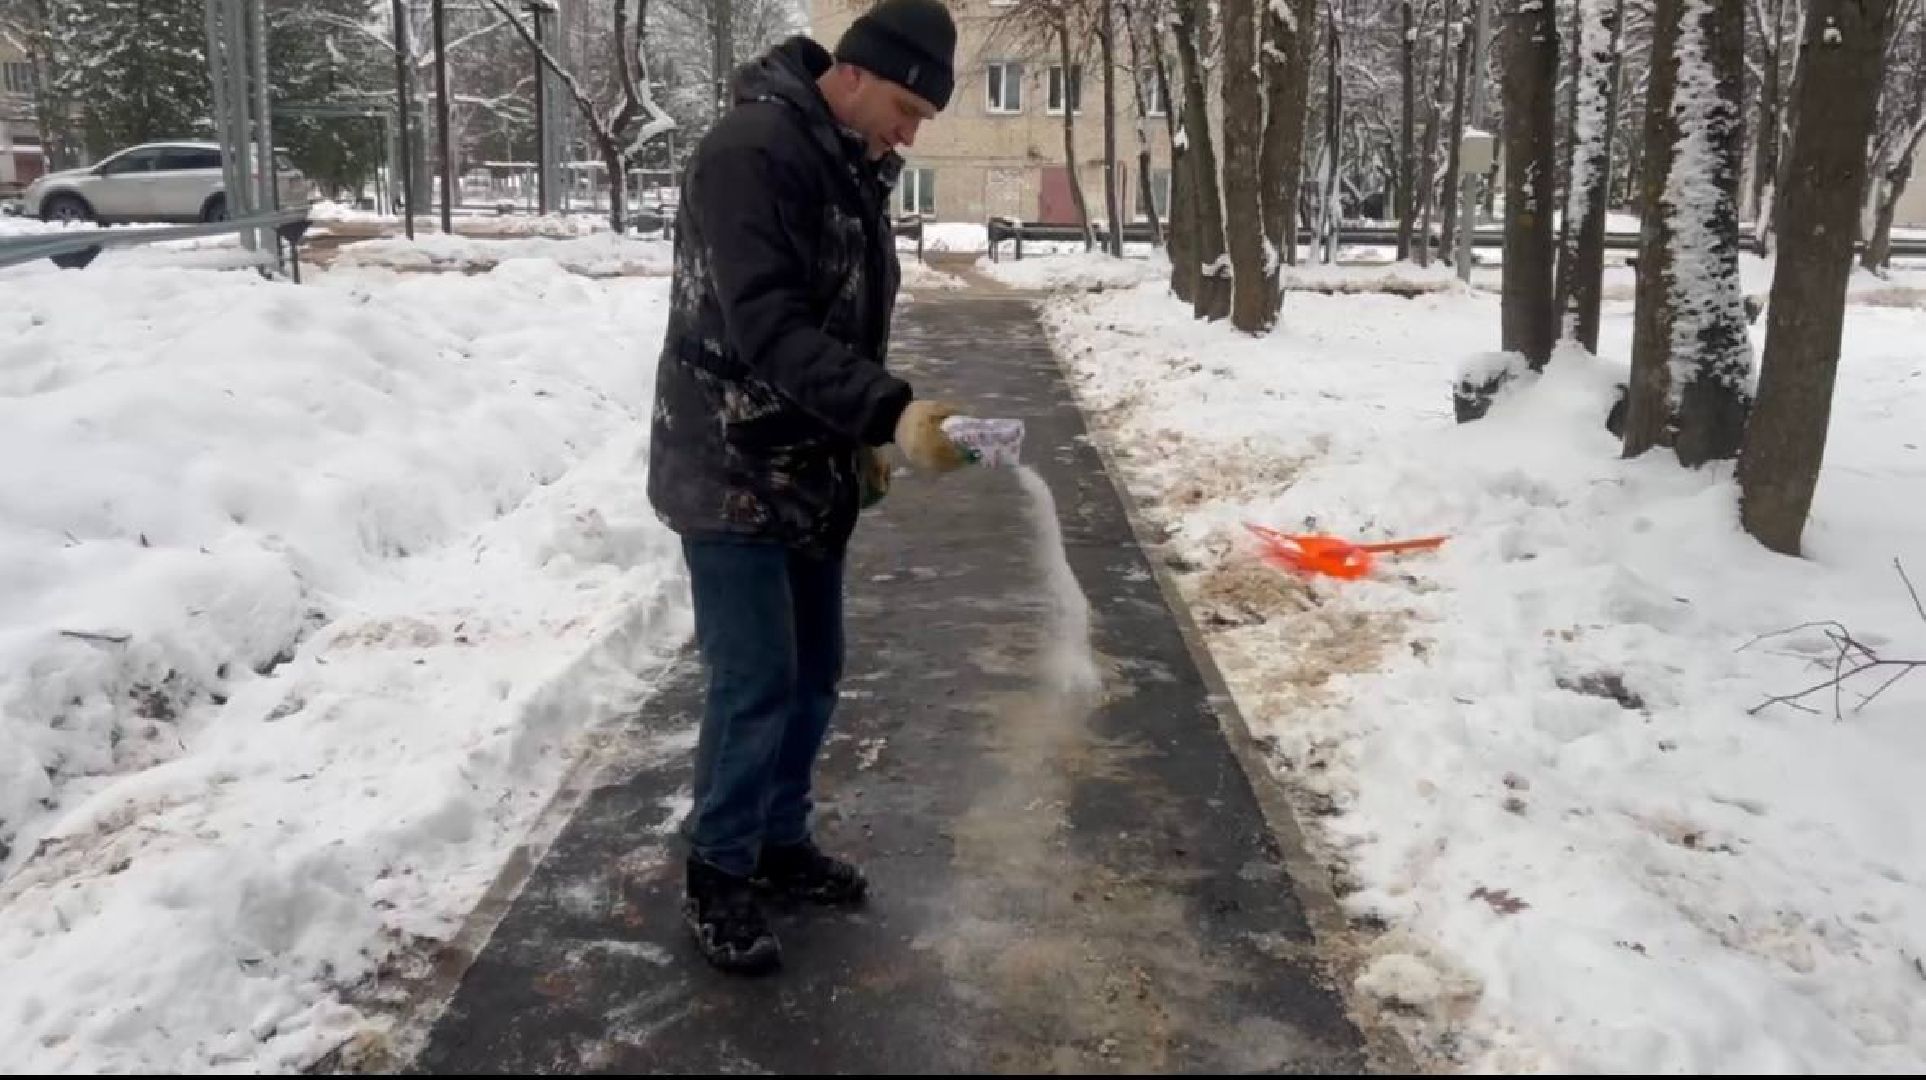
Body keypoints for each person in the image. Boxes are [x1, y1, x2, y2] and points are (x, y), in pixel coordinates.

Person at [645, 0, 970, 975]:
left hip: (809, 464)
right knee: (755, 682)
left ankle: (778, 842)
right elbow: (769, 329)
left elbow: (845, 317)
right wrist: (885, 412)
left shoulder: (849, 166)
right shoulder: (753, 152)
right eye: (906, 108)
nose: (909, 134)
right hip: (730, 463)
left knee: (816, 671)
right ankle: (720, 870)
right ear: (858, 71)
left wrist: (856, 434)